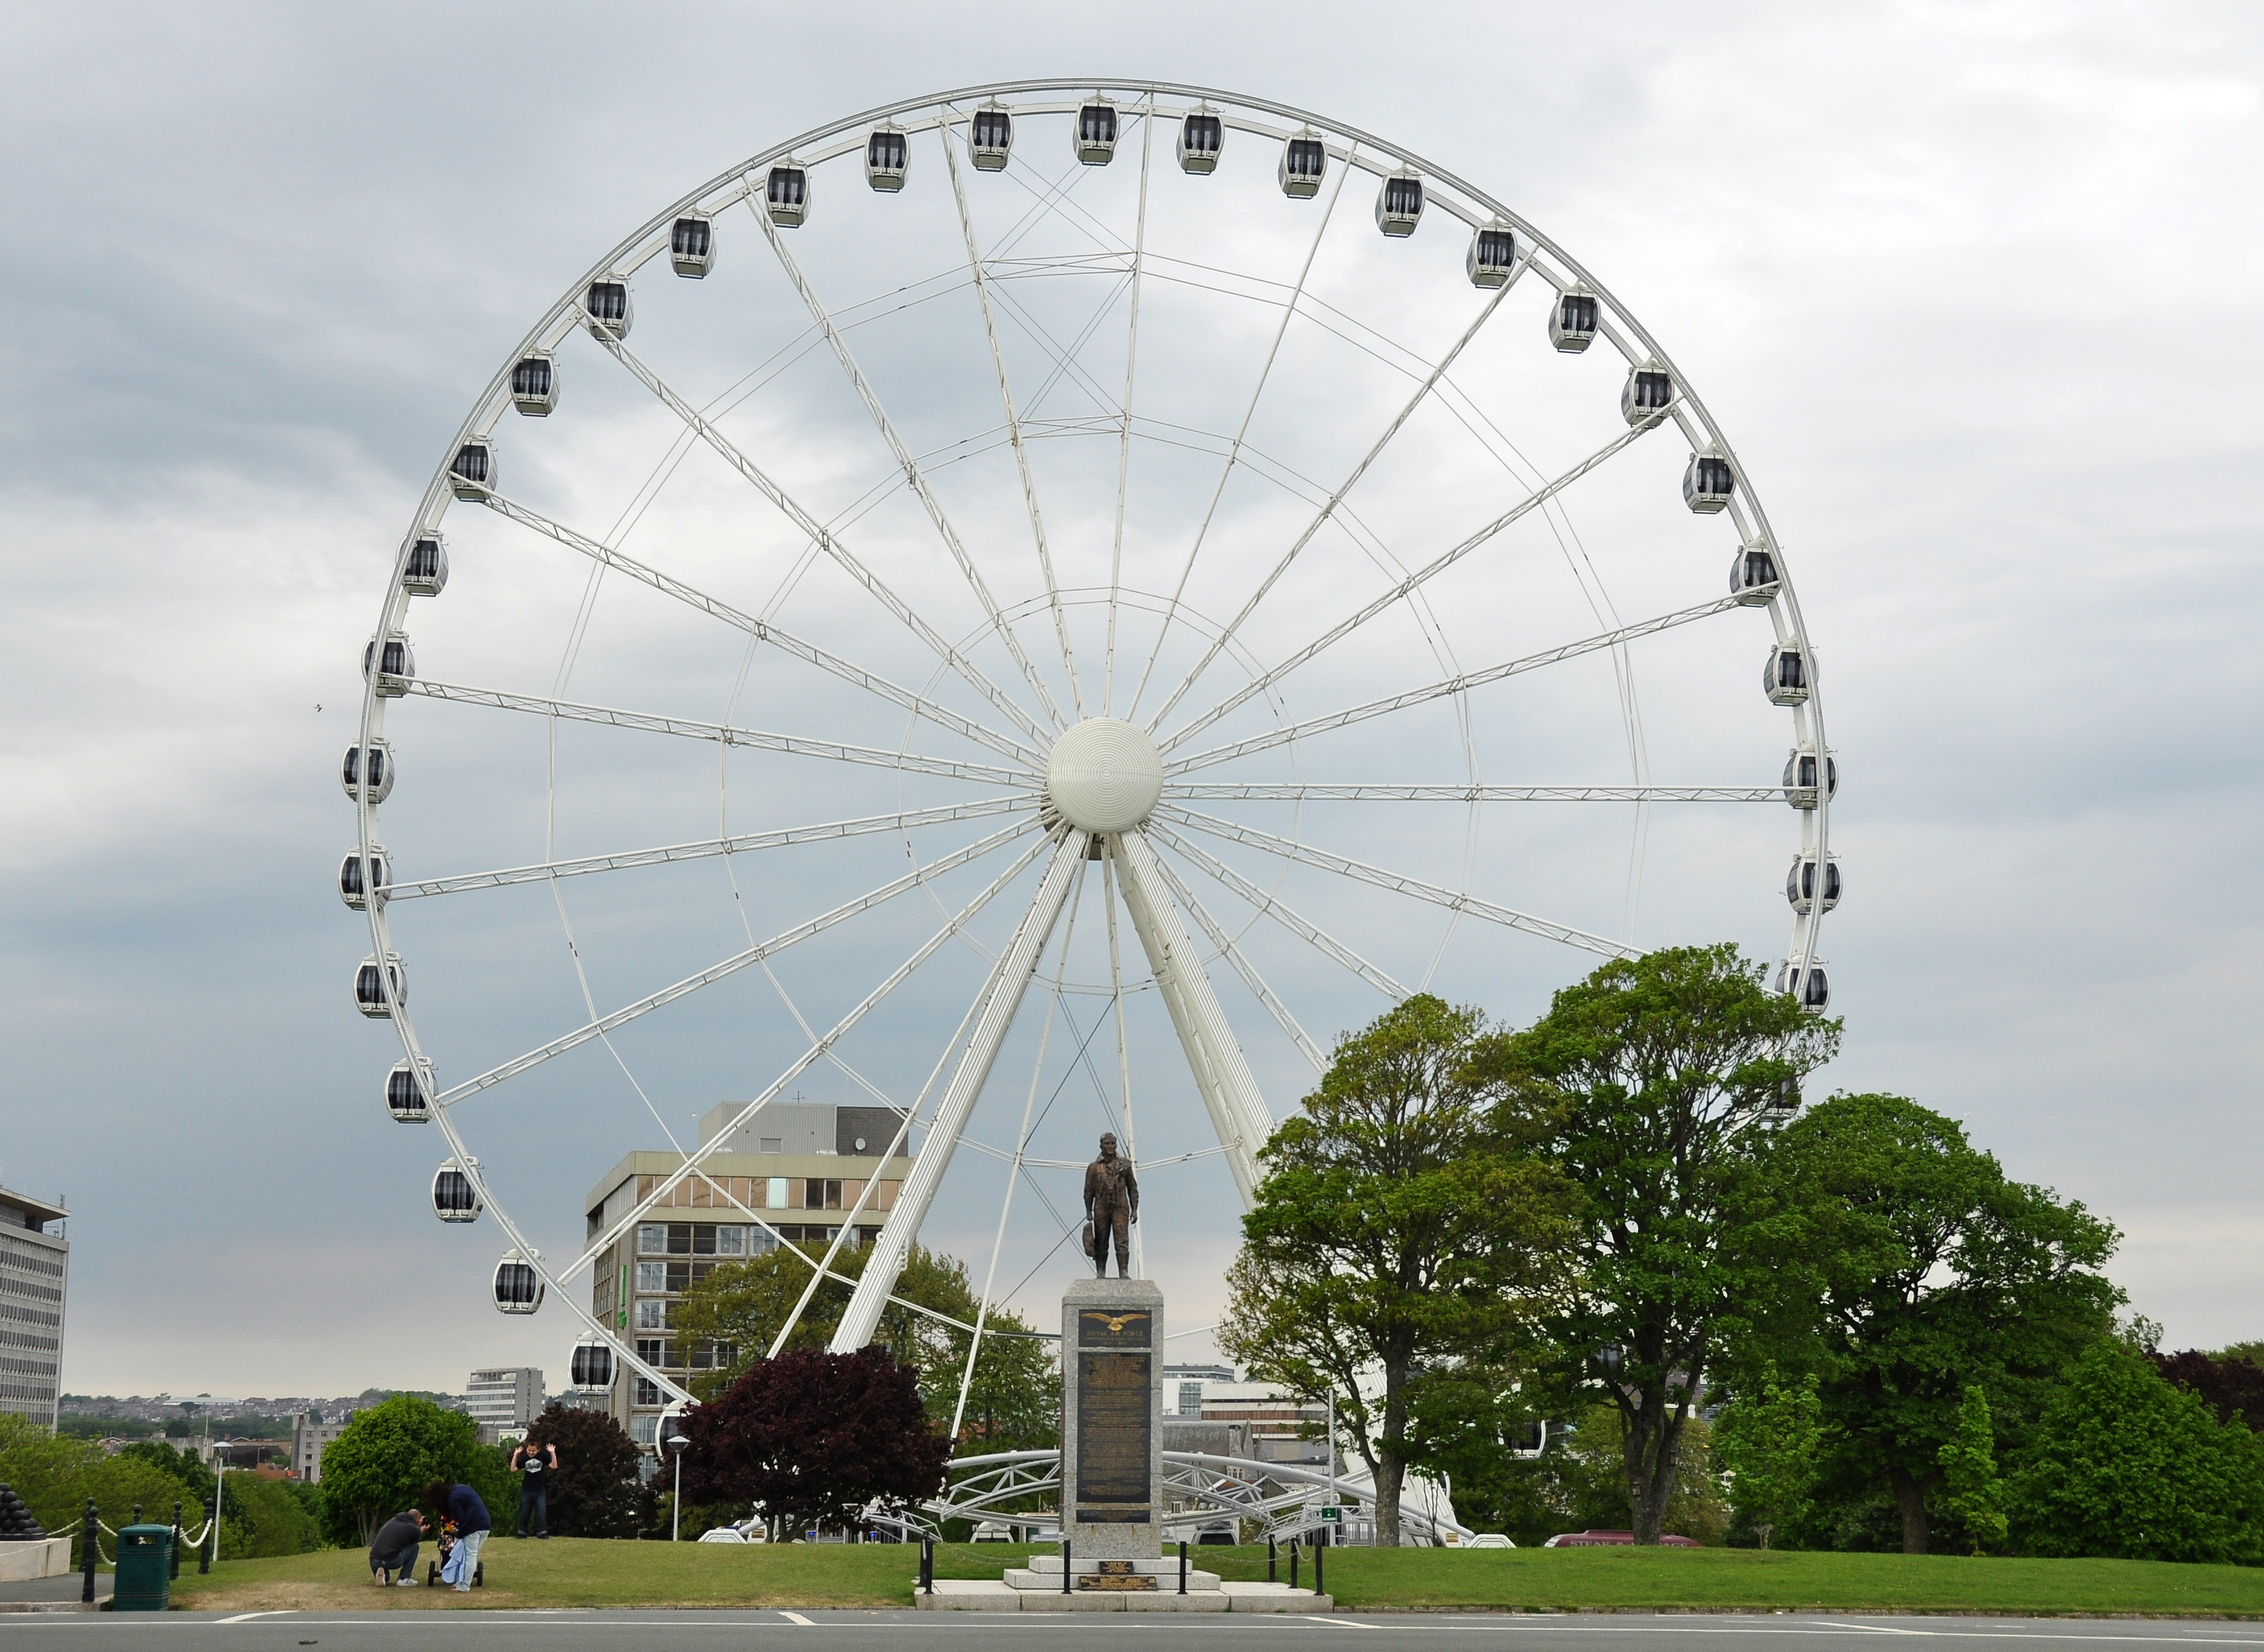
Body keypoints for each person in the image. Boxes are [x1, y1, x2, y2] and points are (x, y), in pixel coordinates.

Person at [1082, 1131, 1139, 1279]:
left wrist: (1134, 1210)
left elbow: (1132, 1188)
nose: (1110, 1146)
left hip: (1120, 1206)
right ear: (1101, 1146)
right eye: (1107, 1143)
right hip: (1101, 1206)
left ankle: (1124, 1271)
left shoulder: (1124, 1165)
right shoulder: (1094, 1168)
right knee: (1101, 1239)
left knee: (1122, 1239)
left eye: (1113, 1143)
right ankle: (1101, 1271)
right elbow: (1088, 1190)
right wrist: (1088, 1211)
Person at [424, 1478, 491, 1591]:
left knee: (470, 1556)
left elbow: (462, 1520)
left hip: (474, 1526)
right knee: (469, 1555)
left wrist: (458, 1535)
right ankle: (461, 1580)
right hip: (485, 1524)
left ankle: (464, 1586)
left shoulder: (452, 1500)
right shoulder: (461, 1488)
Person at [511, 1432, 559, 1539]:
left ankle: (541, 1532)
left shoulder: (543, 1457)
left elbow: (554, 1466)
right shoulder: (524, 1459)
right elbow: (513, 1469)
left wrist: (552, 1453)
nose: (531, 1453)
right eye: (529, 1450)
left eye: (533, 1451)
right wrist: (516, 1455)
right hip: (527, 1489)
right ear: (527, 1449)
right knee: (524, 1511)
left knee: (541, 1511)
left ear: (538, 1450)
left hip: (539, 1490)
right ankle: (522, 1532)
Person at [368, 1508, 425, 1586]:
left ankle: (382, 1575)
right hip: (391, 1560)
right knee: (415, 1547)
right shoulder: (413, 1528)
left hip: (374, 1560)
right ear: (418, 1520)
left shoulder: (394, 1520)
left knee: (387, 1579)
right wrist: (421, 1529)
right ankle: (403, 1578)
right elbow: (416, 1538)